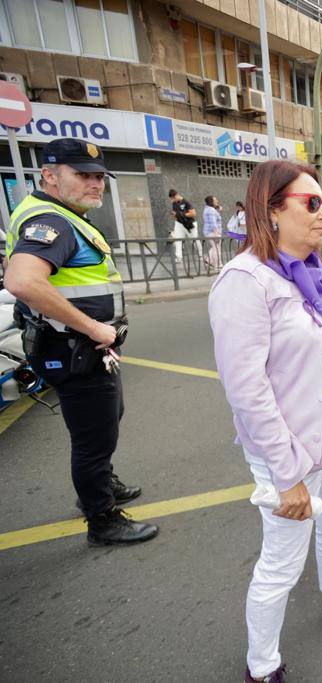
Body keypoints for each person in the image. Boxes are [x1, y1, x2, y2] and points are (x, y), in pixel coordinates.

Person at [208, 160, 322, 683]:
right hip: (285, 451)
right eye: (311, 203)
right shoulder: (245, 282)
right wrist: (285, 474)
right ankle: (261, 667)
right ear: (270, 210)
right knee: (282, 566)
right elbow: (247, 390)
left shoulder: (313, 278)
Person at [3, 138, 157, 546]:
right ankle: (102, 519)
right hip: (76, 346)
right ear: (49, 175)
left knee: (105, 420)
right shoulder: (51, 221)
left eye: (98, 176)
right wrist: (93, 328)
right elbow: (21, 280)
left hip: (83, 347)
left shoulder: (60, 215)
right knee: (93, 437)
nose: (94, 184)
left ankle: (101, 482)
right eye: (82, 175)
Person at [169, 188, 197, 263]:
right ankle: (179, 257)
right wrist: (174, 215)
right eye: (172, 199)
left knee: (194, 240)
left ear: (177, 195)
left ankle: (200, 255)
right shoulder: (174, 203)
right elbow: (175, 214)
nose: (173, 200)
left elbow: (193, 214)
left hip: (188, 223)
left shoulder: (186, 202)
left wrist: (181, 214)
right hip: (179, 223)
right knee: (178, 240)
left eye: (174, 198)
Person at [202, 195, 223, 271]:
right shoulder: (211, 210)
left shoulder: (207, 209)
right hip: (212, 232)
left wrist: (217, 211)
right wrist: (216, 233)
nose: (217, 201)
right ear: (211, 202)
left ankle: (208, 260)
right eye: (215, 200)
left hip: (208, 232)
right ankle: (217, 265)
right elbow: (213, 222)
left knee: (214, 247)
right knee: (216, 249)